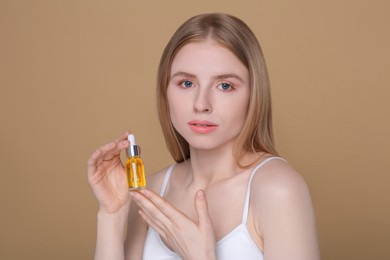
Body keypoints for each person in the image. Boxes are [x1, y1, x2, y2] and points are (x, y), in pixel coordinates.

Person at [87, 13, 320, 260]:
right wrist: (111, 215)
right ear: (165, 91)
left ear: (254, 95)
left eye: (225, 86)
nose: (201, 104)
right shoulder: (152, 191)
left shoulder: (277, 189)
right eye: (187, 84)